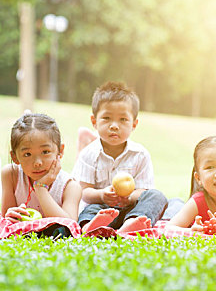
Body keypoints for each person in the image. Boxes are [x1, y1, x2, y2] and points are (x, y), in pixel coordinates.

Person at [72, 81, 168, 234]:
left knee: (157, 196)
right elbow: (83, 191)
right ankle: (91, 227)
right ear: (94, 122)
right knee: (90, 210)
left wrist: (129, 197)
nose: (114, 125)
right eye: (107, 118)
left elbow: (144, 190)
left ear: (134, 124)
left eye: (123, 119)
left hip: (131, 208)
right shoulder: (88, 154)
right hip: (101, 209)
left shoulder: (140, 154)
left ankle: (132, 224)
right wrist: (102, 195)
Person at [1, 113, 82, 223]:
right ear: (15, 157)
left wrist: (40, 187)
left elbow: (69, 225)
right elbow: (6, 219)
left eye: (45, 152)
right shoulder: (11, 175)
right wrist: (11, 216)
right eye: (27, 154)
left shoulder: (70, 187)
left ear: (60, 151)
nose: (37, 163)